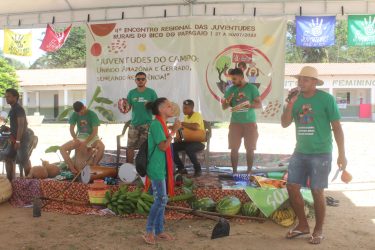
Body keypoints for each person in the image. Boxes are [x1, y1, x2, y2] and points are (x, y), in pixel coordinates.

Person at [281, 66, 347, 245]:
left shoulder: (326, 99)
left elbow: (337, 128)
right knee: (292, 186)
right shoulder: (295, 99)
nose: (301, 83)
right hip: (300, 151)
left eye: (306, 80)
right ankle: (302, 225)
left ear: (315, 83)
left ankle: (318, 229)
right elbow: (284, 123)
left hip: (321, 153)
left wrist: (342, 154)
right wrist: (290, 104)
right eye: (300, 79)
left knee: (317, 191)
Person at [143, 98, 181, 245]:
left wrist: (172, 131)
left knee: (161, 200)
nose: (172, 108)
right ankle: (149, 231)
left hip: (161, 166)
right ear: (161, 110)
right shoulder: (156, 124)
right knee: (161, 200)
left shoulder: (161, 123)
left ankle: (159, 231)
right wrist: (175, 131)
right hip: (156, 167)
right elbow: (163, 147)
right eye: (168, 106)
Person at [222, 68, 261, 175]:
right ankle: (234, 172)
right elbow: (224, 107)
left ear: (241, 77)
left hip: (250, 123)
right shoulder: (230, 89)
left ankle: (249, 171)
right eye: (231, 79)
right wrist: (227, 101)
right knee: (234, 149)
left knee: (250, 149)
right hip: (235, 123)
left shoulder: (252, 88)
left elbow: (259, 104)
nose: (232, 81)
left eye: (234, 79)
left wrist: (250, 105)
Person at [60, 101, 105, 174]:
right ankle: (72, 168)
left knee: (102, 147)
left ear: (84, 107)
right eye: (78, 113)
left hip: (92, 137)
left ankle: (94, 165)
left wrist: (86, 142)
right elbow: (71, 129)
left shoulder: (92, 114)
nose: (80, 114)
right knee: (62, 148)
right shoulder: (75, 114)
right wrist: (75, 139)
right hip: (80, 137)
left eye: (81, 112)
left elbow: (94, 132)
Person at [126, 72, 158, 163]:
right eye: (138, 79)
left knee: (145, 148)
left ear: (146, 80)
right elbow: (128, 108)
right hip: (134, 124)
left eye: (142, 79)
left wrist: (150, 105)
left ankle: (143, 168)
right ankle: (128, 169)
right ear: (135, 81)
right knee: (129, 147)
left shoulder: (151, 92)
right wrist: (123, 107)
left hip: (147, 124)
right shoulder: (131, 93)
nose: (140, 81)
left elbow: (157, 108)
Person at [4, 88, 32, 181]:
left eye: (8, 96)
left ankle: (29, 183)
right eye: (6, 96)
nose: (6, 98)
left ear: (15, 97)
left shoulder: (19, 109)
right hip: (14, 139)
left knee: (24, 161)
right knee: (8, 158)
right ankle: (10, 182)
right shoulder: (13, 109)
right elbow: (16, 126)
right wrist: (8, 128)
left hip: (21, 139)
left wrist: (18, 141)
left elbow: (21, 125)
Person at [173, 100, 205, 177]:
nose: (184, 110)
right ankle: (181, 168)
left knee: (189, 149)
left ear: (192, 108)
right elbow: (184, 132)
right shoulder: (186, 117)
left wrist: (182, 123)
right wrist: (178, 137)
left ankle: (198, 169)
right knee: (171, 147)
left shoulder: (197, 115)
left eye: (186, 108)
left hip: (199, 142)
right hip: (188, 141)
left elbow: (195, 126)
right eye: (183, 108)